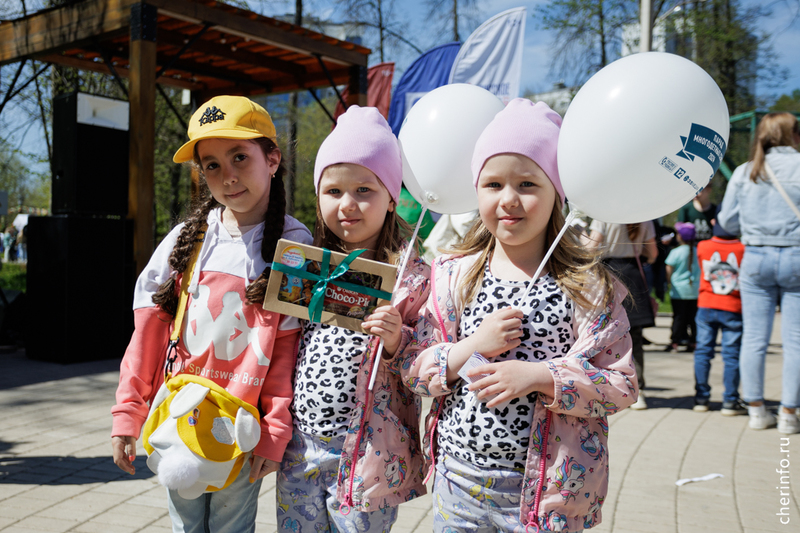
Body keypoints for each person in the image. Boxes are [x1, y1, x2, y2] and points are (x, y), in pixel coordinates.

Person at [399, 99, 637, 533]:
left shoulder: (587, 287)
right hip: (458, 481)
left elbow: (620, 385)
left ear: (556, 193)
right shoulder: (452, 274)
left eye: (528, 183)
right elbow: (414, 371)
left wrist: (540, 377)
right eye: (493, 184)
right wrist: (471, 346)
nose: (509, 199)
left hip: (547, 494)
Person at [111, 95, 312, 531]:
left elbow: (286, 352)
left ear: (272, 158)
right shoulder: (187, 238)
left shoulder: (294, 245)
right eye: (212, 165)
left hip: (241, 430)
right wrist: (128, 412)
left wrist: (274, 432)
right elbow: (147, 334)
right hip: (177, 423)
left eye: (240, 156)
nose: (228, 175)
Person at [276, 106, 430, 532]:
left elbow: (431, 364)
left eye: (364, 190)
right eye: (333, 191)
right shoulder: (306, 265)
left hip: (369, 455)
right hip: (300, 448)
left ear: (391, 196)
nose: (348, 205)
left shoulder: (412, 277)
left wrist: (400, 341)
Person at [717, 112, 800, 434]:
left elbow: (728, 221)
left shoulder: (745, 171)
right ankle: (789, 414)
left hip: (755, 257)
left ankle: (755, 409)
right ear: (791, 134)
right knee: (794, 341)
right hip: (796, 255)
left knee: (754, 337)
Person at [585, 220, 657, 410]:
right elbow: (653, 253)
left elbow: (592, 246)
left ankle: (605, 386)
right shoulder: (645, 216)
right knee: (635, 338)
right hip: (633, 274)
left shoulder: (604, 213)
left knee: (603, 335)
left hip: (608, 274)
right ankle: (638, 389)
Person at [692, 223, 746, 414]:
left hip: (707, 304)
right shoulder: (743, 248)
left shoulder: (703, 246)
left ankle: (701, 398)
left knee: (703, 352)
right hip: (733, 306)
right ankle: (730, 401)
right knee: (731, 354)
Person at [665, 222, 701, 352]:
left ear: (680, 237)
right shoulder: (698, 251)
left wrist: (669, 283)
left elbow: (668, 269)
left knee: (679, 317)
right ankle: (694, 342)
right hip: (695, 291)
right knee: (693, 319)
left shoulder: (675, 252)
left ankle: (675, 341)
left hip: (678, 291)